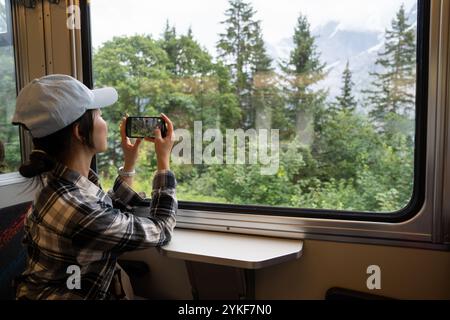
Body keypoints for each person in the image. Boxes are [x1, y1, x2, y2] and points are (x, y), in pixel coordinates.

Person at [11, 74, 177, 300]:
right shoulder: (78, 208)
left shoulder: (58, 186)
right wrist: (164, 163)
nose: (105, 122)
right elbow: (161, 230)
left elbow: (105, 213)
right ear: (80, 132)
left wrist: (129, 163)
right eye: (99, 115)